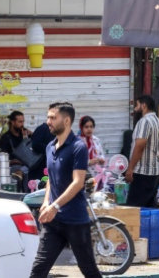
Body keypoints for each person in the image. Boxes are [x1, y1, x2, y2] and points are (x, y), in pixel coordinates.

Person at [29, 102, 102, 278]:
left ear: (67, 120)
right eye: (48, 117)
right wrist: (46, 203)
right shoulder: (49, 147)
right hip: (53, 223)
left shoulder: (78, 147)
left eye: (53, 118)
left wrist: (54, 206)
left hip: (75, 221)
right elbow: (51, 181)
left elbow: (78, 183)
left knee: (89, 271)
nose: (48, 121)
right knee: (38, 271)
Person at [126, 95, 159, 208]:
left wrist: (130, 168)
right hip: (156, 173)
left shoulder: (145, 122)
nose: (135, 109)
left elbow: (139, 146)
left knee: (134, 210)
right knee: (149, 209)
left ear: (143, 106)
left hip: (142, 174)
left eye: (137, 105)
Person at [0, 110, 33, 183]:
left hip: (27, 164)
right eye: (20, 122)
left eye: (23, 122)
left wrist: (32, 136)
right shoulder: (6, 138)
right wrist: (14, 161)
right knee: (27, 170)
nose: (22, 124)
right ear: (12, 122)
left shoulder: (25, 134)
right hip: (14, 166)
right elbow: (3, 159)